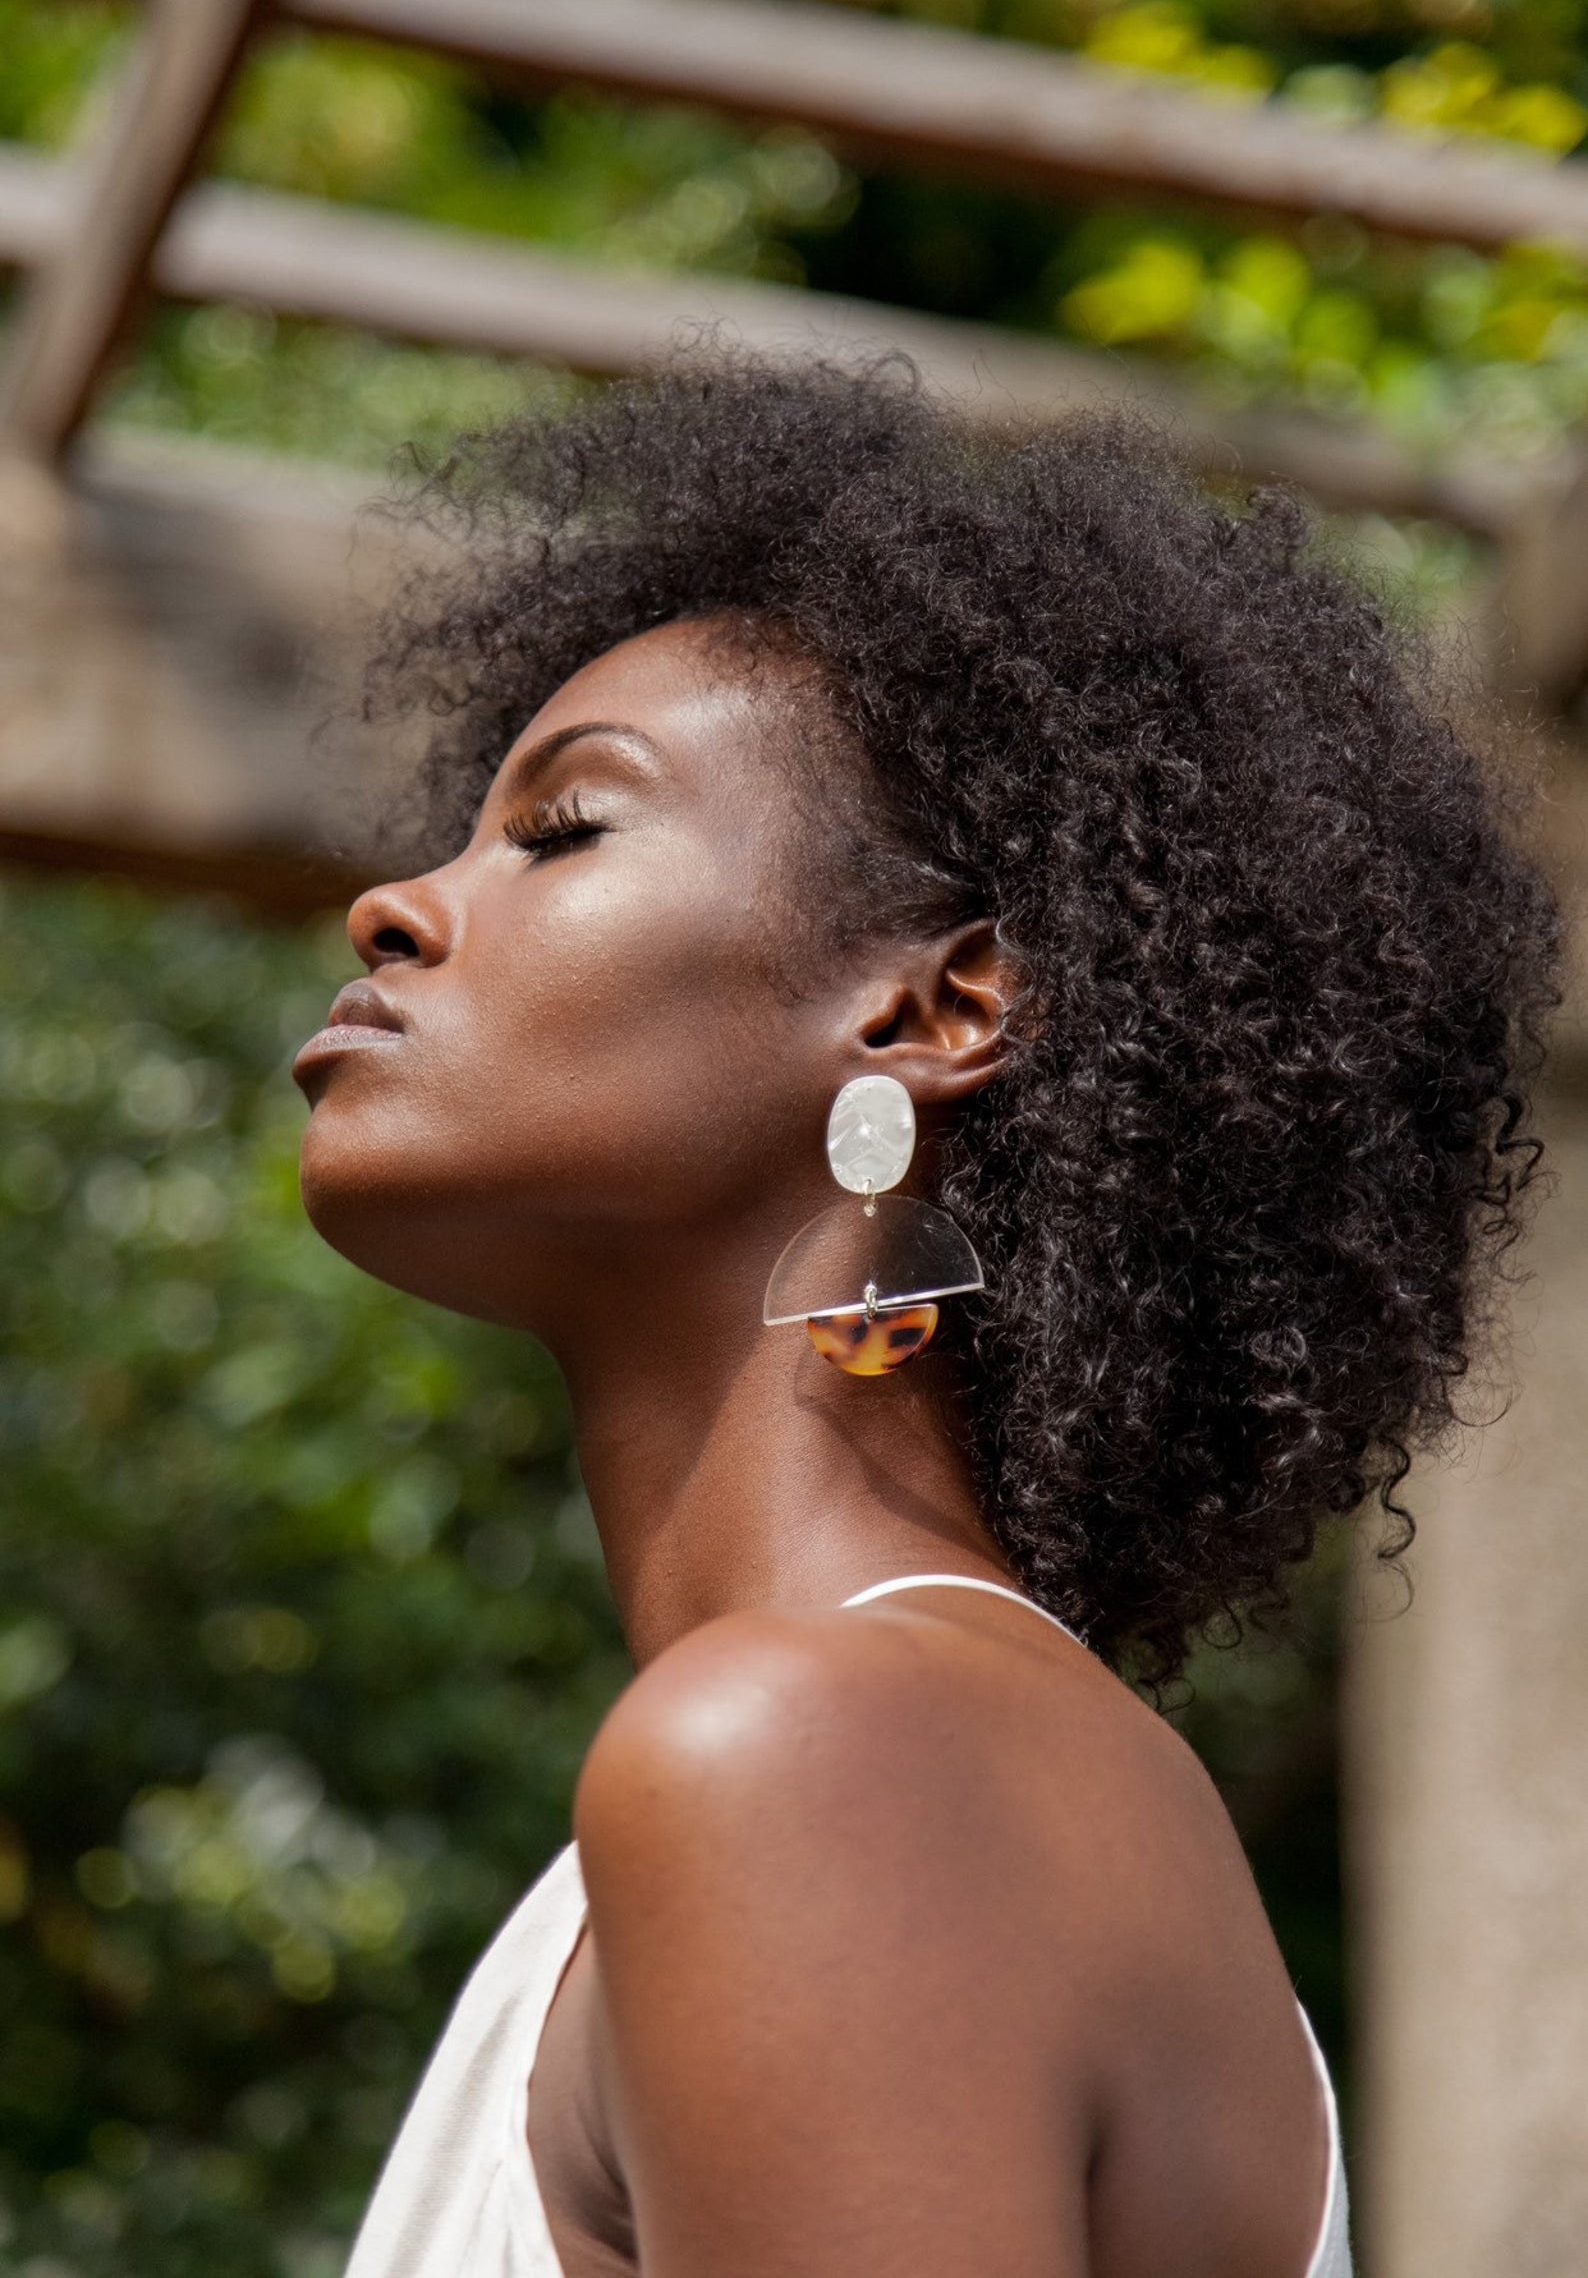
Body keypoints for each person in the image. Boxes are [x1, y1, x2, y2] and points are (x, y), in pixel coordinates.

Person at [292, 353, 1558, 2278]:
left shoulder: (820, 1759)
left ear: (933, 1010)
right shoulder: (884, 1759)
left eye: (563, 830)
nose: (395, 904)